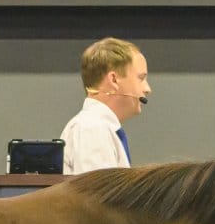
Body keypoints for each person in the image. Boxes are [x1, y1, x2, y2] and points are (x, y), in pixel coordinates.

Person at [59, 37, 151, 174]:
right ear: (114, 80)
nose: (147, 89)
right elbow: (98, 194)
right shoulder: (92, 127)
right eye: (141, 78)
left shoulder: (98, 126)